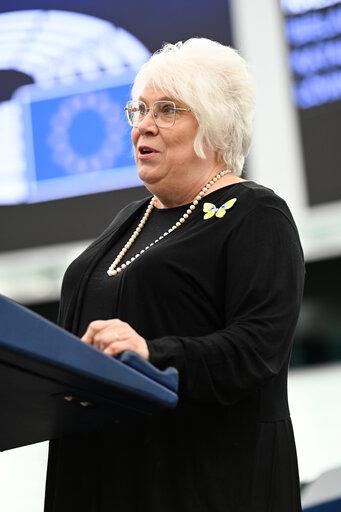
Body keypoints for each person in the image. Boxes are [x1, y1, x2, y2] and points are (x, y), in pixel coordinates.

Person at [44, 38, 304, 512]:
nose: (143, 124)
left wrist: (152, 354)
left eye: (167, 110)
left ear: (217, 126)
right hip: (99, 473)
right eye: (139, 109)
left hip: (200, 483)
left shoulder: (255, 215)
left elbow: (258, 348)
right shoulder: (131, 217)